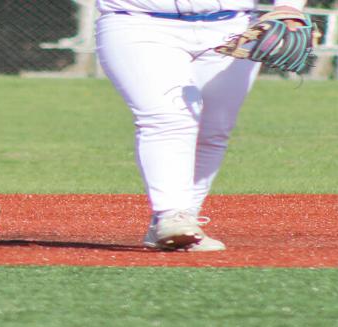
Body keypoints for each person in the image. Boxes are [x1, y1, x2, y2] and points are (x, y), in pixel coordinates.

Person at [95, 1, 307, 252]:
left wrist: (289, 7)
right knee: (168, 117)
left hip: (233, 25)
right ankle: (171, 214)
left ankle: (184, 219)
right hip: (138, 23)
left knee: (214, 128)